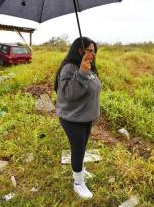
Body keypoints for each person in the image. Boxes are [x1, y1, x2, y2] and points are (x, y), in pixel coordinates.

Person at [54, 37, 101, 199]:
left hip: (85, 116)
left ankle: (80, 169)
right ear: (80, 51)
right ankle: (78, 183)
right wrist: (81, 73)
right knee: (78, 149)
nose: (93, 54)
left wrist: (86, 71)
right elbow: (68, 95)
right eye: (90, 50)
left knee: (83, 146)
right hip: (73, 118)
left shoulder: (88, 66)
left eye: (94, 51)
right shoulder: (70, 68)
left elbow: (93, 87)